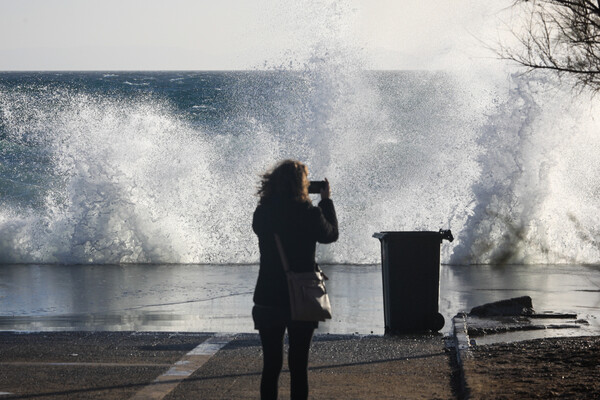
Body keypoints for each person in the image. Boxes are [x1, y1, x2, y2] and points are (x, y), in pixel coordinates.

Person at [252, 159, 339, 400]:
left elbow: (262, 223)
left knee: (271, 365)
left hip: (268, 296)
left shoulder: (263, 212)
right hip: (301, 296)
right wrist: (326, 200)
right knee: (298, 366)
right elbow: (331, 235)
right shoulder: (309, 213)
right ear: (302, 185)